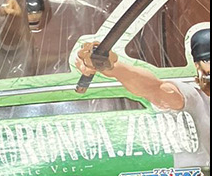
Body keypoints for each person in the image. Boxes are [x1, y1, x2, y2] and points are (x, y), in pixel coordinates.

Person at [75, 20, 210, 168]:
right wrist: (111, 66)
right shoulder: (194, 97)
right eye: (208, 60)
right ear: (198, 65)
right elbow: (153, 88)